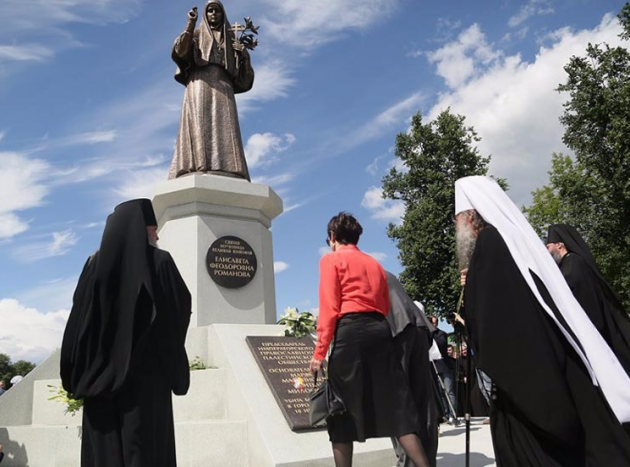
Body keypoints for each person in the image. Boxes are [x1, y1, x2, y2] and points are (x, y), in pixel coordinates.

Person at [454, 175, 630, 465]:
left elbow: (494, 321)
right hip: (550, 373)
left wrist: (470, 292)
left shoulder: (490, 243)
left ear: (471, 217)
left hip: (525, 391)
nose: (456, 225)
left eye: (458, 217)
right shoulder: (511, 240)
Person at [60, 199, 192, 467]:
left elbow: (76, 326)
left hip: (97, 383)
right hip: (147, 384)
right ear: (140, 229)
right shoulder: (160, 262)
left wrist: (82, 374)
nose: (157, 236)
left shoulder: (93, 266)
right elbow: (175, 317)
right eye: (153, 229)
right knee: (146, 452)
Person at [309, 212, 430, 467]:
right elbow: (384, 305)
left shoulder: (331, 260)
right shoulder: (374, 263)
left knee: (340, 409)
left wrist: (319, 353)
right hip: (380, 331)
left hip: (350, 333)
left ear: (332, 236)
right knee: (397, 408)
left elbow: (329, 308)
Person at [169, 1, 254, 181]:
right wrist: (190, 25)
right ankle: (199, 165)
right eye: (210, 11)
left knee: (225, 127)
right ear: (205, 14)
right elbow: (181, 51)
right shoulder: (197, 34)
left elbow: (244, 81)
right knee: (200, 123)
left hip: (224, 86)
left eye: (217, 11)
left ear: (223, 14)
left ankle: (228, 168)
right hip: (200, 83)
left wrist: (245, 57)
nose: (213, 14)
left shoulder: (231, 40)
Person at [547, 223, 630, 376]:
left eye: (548, 246)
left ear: (559, 245)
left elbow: (587, 301)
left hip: (600, 332)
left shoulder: (574, 264)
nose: (547, 251)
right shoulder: (567, 265)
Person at [385, 271, 440, 467]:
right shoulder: (381, 270)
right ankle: (428, 459)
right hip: (417, 326)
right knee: (423, 401)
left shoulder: (348, 269)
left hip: (395, 330)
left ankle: (409, 462)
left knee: (398, 403)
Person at [429, 316, 457, 423]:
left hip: (445, 366)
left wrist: (431, 333)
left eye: (433, 323)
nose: (432, 325)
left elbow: (441, 344)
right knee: (441, 393)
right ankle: (445, 413)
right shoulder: (428, 334)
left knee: (449, 391)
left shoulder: (441, 334)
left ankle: (453, 414)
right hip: (435, 367)